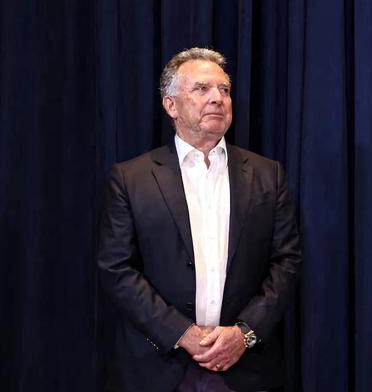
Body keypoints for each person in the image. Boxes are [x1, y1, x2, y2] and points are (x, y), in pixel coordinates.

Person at [97, 47, 301, 391]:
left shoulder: (268, 175)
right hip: (158, 366)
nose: (217, 99)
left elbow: (286, 262)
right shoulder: (132, 178)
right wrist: (182, 333)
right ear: (171, 105)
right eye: (202, 89)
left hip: (244, 366)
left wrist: (244, 333)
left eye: (224, 90)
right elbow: (116, 268)